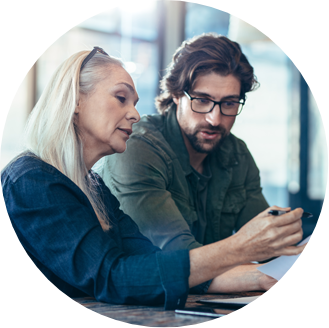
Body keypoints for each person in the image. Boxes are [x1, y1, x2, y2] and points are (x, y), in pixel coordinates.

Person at [0, 47, 304, 311]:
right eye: (121, 98)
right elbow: (111, 277)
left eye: (134, 102)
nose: (134, 113)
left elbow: (147, 260)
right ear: (76, 101)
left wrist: (223, 278)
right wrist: (238, 248)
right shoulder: (32, 179)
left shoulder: (92, 185)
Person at [99, 33, 270, 251]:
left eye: (229, 103)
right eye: (202, 100)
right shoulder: (138, 148)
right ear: (177, 94)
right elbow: (180, 259)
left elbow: (270, 243)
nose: (214, 119)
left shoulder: (236, 154)